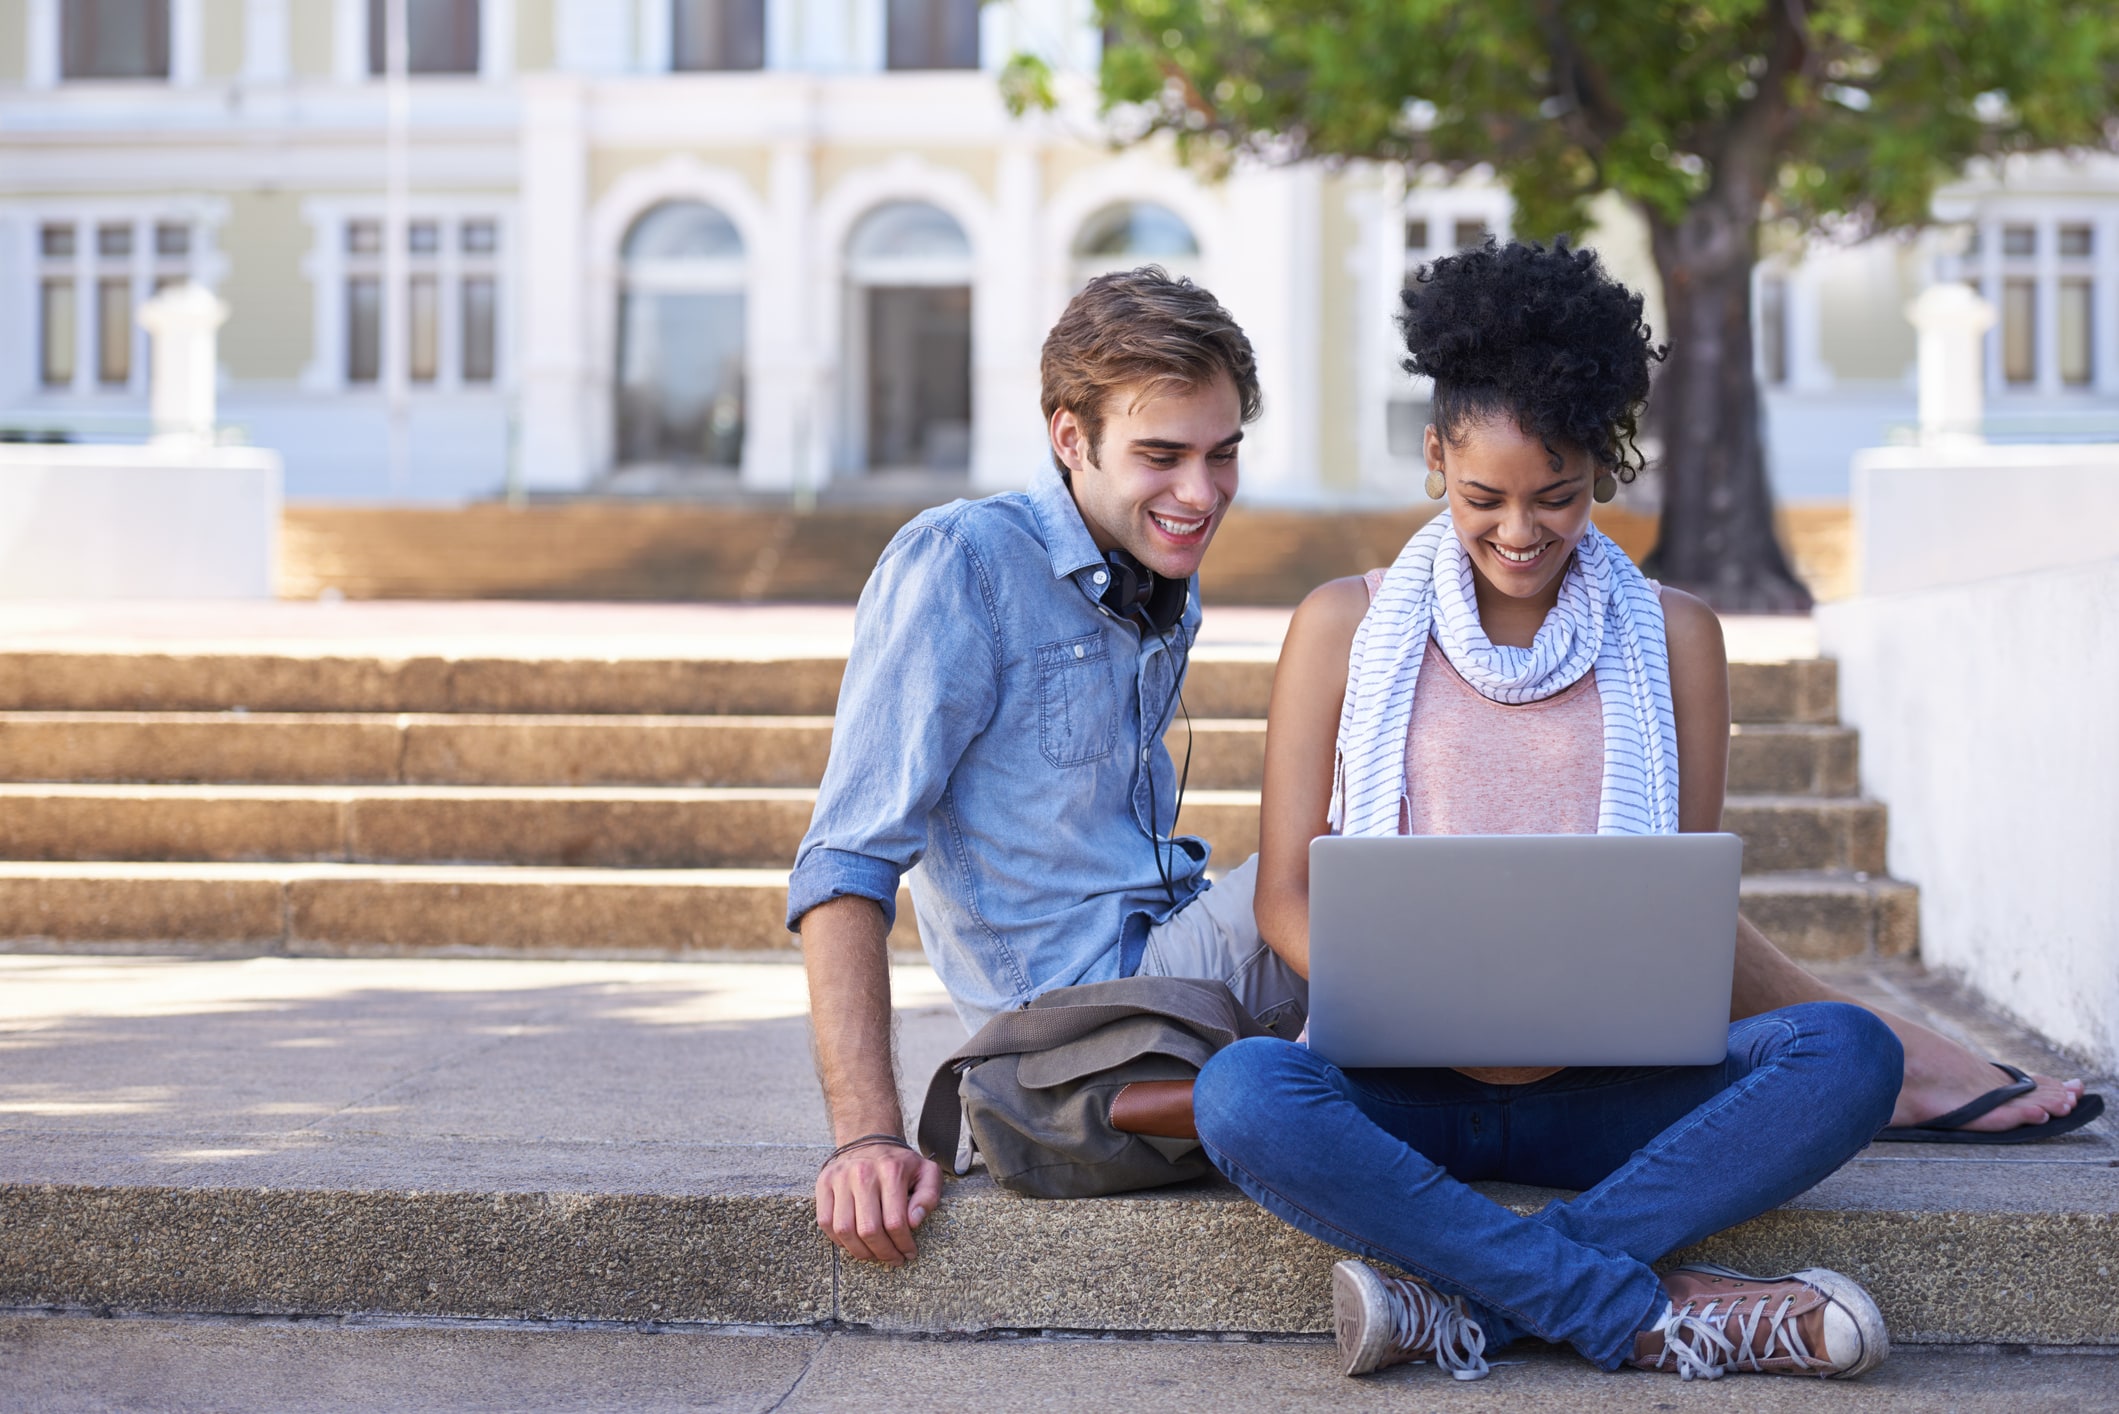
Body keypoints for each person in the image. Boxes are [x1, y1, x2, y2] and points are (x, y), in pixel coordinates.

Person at [789, 263, 2089, 1277]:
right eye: (1162, 456)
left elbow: (1668, 907)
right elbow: (846, 862)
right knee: (1315, 926)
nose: (1202, 490)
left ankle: (1875, 1062)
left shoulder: (1144, 579)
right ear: (1065, 436)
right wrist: (862, 1131)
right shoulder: (962, 565)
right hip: (1077, 1009)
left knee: (1787, 1026)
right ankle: (1631, 1221)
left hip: (1178, 944)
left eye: (1223, 451)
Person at [1195, 237, 1956, 1384]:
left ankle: (1466, 1299)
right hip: (1401, 1087)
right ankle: (1636, 1308)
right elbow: (1284, 896)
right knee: (1244, 1092)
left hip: (1609, 1098)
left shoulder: (1679, 638)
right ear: (1433, 454)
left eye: (1555, 495)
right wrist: (1415, 998)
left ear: (1600, 467)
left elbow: (1679, 915)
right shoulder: (1341, 624)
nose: (1519, 531)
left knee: (1848, 1051)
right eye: (1481, 496)